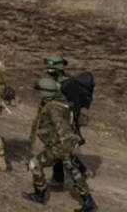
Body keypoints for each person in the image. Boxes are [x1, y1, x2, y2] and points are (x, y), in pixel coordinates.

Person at [23, 78, 98, 212]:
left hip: (58, 146)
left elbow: (62, 128)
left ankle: (40, 194)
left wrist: (68, 144)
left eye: (40, 92)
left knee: (35, 164)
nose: (38, 94)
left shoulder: (53, 109)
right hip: (64, 146)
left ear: (46, 93)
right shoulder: (60, 102)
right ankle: (89, 202)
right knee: (74, 172)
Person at [44, 55, 90, 185]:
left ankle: (65, 177)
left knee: (61, 149)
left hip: (65, 121)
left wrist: (71, 123)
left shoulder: (69, 84)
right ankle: (70, 174)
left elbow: (73, 106)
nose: (47, 70)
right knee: (59, 148)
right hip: (55, 119)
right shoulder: (53, 81)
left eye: (50, 67)